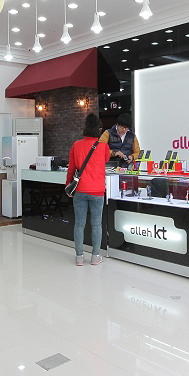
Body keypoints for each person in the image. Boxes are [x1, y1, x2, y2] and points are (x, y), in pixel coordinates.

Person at [67, 114, 110, 266]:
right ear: (98, 129)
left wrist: (68, 186)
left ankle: (79, 257)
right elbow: (105, 160)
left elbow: (71, 169)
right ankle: (95, 256)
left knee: (79, 224)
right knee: (96, 224)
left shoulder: (76, 145)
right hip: (97, 191)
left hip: (80, 190)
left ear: (85, 127)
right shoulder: (104, 146)